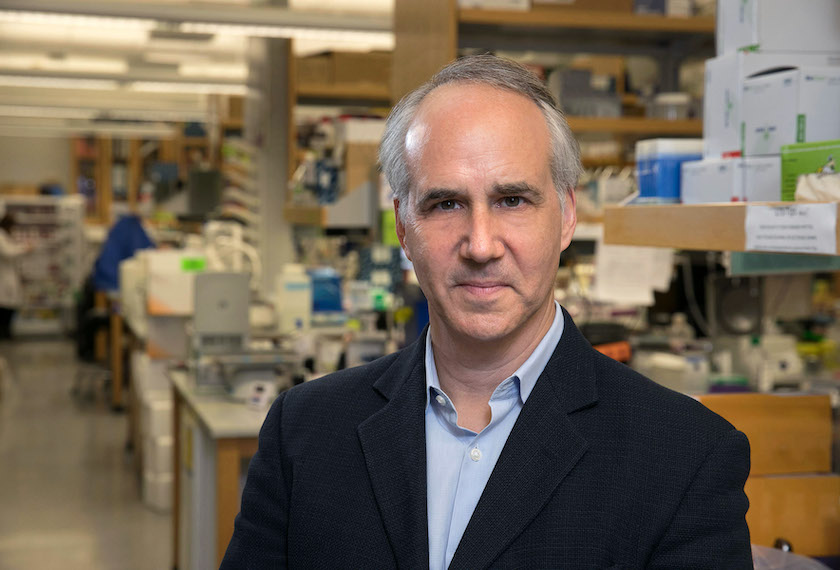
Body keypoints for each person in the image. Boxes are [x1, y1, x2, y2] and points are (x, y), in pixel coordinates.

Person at [222, 55, 752, 569]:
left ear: (567, 215)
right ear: (404, 228)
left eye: (512, 200)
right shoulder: (305, 432)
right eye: (445, 204)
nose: (480, 245)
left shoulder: (685, 457)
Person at [0, 210, 31, 340]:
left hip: (10, 274)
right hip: (4, 276)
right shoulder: (0, 236)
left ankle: (6, 331)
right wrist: (25, 248)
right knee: (5, 305)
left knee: (11, 304)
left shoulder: (6, 235)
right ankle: (4, 332)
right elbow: (8, 252)